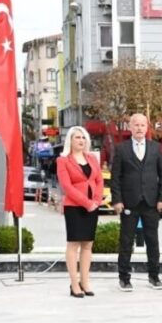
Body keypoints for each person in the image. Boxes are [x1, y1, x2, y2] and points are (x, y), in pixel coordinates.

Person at [110, 113, 162, 291]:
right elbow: (115, 178)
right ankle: (124, 278)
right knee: (126, 241)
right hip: (129, 202)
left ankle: (154, 276)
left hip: (151, 202)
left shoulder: (156, 148)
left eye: (142, 125)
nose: (139, 128)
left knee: (153, 241)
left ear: (147, 127)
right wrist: (117, 200)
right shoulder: (121, 149)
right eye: (136, 125)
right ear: (130, 127)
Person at [57, 126, 103, 298]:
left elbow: (99, 180)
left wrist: (96, 201)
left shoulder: (92, 158)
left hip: (92, 206)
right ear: (70, 140)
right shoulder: (63, 160)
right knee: (74, 244)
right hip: (74, 206)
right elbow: (67, 186)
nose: (81, 141)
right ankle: (74, 284)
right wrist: (86, 203)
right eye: (77, 137)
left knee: (88, 245)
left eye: (83, 138)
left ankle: (85, 281)